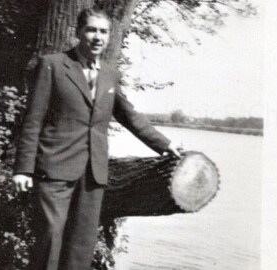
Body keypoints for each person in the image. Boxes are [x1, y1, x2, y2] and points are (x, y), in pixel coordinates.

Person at [12, 7, 182, 270]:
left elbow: (130, 117)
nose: (97, 37)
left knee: (81, 246)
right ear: (78, 32)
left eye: (103, 31)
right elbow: (33, 120)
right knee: (49, 239)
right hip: (54, 168)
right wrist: (23, 168)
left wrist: (165, 144)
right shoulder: (53, 65)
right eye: (91, 29)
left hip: (93, 174)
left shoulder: (110, 75)